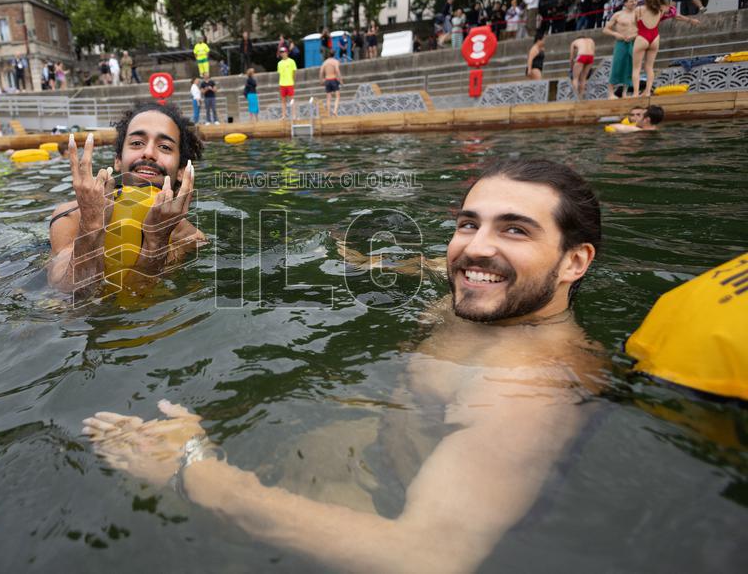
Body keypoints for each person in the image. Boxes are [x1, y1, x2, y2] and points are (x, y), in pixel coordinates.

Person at [84, 159, 605, 574]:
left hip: (383, 512)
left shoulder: (532, 385)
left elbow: (424, 556)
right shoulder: (482, 303)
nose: (476, 248)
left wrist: (193, 470)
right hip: (378, 457)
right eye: (469, 224)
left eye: (515, 230)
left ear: (574, 262)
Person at [46, 102, 206, 294]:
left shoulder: (189, 238)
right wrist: (91, 226)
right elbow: (71, 301)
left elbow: (135, 302)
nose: (148, 153)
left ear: (181, 170)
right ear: (118, 161)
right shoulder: (71, 217)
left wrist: (156, 241)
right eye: (137, 143)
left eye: (164, 146)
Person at [632, 0, 700, 98]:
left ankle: (635, 94)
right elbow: (677, 16)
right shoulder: (663, 9)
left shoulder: (639, 9)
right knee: (649, 67)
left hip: (642, 37)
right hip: (654, 38)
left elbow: (633, 24)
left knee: (636, 68)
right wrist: (691, 20)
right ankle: (648, 91)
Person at [604, 0, 638, 99]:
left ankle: (624, 92)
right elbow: (605, 29)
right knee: (617, 65)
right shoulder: (618, 15)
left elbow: (643, 29)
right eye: (631, 1)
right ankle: (610, 92)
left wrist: (633, 35)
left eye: (635, 1)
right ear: (625, 3)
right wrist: (615, 34)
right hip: (621, 42)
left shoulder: (638, 14)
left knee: (630, 67)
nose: (634, 3)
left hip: (634, 42)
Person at [318, 51, 342, 116]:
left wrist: (321, 81)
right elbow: (337, 70)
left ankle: (328, 113)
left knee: (328, 97)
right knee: (337, 96)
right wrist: (340, 79)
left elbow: (321, 72)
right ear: (334, 54)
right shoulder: (335, 61)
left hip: (327, 80)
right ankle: (335, 111)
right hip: (333, 79)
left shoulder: (324, 62)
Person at [276, 46, 297, 120]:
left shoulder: (291, 61)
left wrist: (293, 81)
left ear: (287, 52)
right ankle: (284, 115)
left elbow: (294, 72)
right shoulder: (279, 63)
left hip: (290, 83)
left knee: (292, 100)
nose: (282, 54)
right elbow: (280, 73)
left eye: (283, 52)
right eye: (281, 52)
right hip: (282, 84)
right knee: (283, 101)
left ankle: (294, 115)